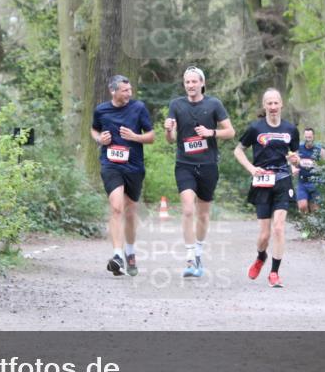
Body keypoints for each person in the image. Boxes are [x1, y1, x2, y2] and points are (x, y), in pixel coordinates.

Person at [163, 67, 235, 278]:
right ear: (184, 84)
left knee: (203, 213)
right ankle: (189, 257)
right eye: (187, 82)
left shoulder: (213, 104)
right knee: (187, 209)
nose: (191, 85)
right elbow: (170, 139)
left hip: (208, 165)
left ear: (202, 83)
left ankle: (199, 252)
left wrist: (211, 132)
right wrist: (168, 129)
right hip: (184, 164)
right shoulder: (176, 105)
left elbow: (230, 132)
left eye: (194, 82)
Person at [233, 88, 300, 288]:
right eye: (268, 103)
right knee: (264, 235)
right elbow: (238, 150)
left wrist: (295, 161)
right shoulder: (255, 128)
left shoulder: (290, 129)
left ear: (281, 105)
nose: (272, 107)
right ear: (264, 106)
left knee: (279, 228)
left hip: (282, 180)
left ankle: (274, 273)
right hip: (262, 181)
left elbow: (295, 156)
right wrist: (252, 169)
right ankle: (261, 257)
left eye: (275, 103)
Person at [91, 75, 155, 277]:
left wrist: (135, 137)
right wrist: (100, 139)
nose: (129, 93)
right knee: (116, 207)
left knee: (129, 213)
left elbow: (151, 136)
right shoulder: (101, 110)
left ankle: (130, 253)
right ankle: (117, 255)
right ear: (113, 91)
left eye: (130, 90)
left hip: (134, 167)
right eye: (125, 90)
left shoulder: (138, 108)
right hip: (110, 164)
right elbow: (94, 129)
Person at [295, 128, 325, 213]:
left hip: (316, 182)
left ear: (313, 137)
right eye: (306, 137)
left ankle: (311, 225)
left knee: (315, 210)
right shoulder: (299, 148)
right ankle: (305, 224)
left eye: (309, 137)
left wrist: (319, 168)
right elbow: (292, 161)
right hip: (302, 182)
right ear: (303, 137)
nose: (308, 139)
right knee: (302, 206)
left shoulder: (320, 150)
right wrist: (294, 168)